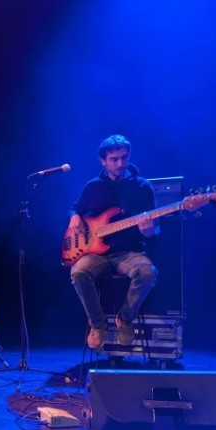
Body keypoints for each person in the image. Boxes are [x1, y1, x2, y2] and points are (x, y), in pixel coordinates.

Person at [66, 134, 159, 351]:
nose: (120, 164)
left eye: (124, 158)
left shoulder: (143, 187)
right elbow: (75, 207)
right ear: (103, 161)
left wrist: (148, 230)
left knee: (148, 273)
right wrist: (74, 216)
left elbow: (155, 229)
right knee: (78, 272)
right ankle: (98, 324)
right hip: (97, 254)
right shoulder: (93, 186)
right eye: (114, 159)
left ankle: (125, 320)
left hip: (129, 253)